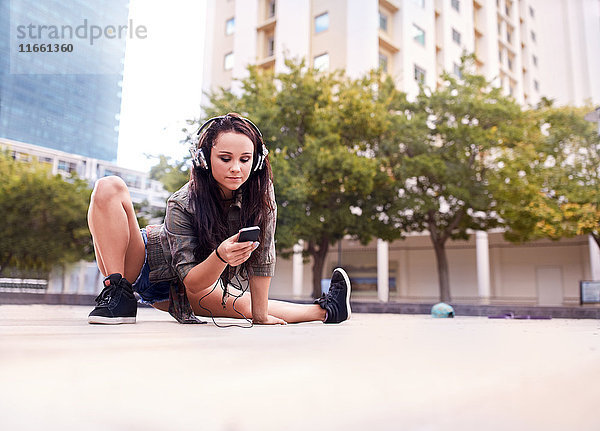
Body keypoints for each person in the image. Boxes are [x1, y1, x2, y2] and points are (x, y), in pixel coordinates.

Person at [87, 113, 351, 325]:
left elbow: (263, 255)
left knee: (245, 307)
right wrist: (221, 256)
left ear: (257, 161)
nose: (236, 168)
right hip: (141, 261)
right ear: (204, 160)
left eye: (245, 159)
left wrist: (260, 317)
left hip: (178, 291)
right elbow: (191, 275)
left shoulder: (262, 193)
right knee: (109, 186)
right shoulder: (181, 202)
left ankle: (329, 310)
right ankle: (117, 291)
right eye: (225, 158)